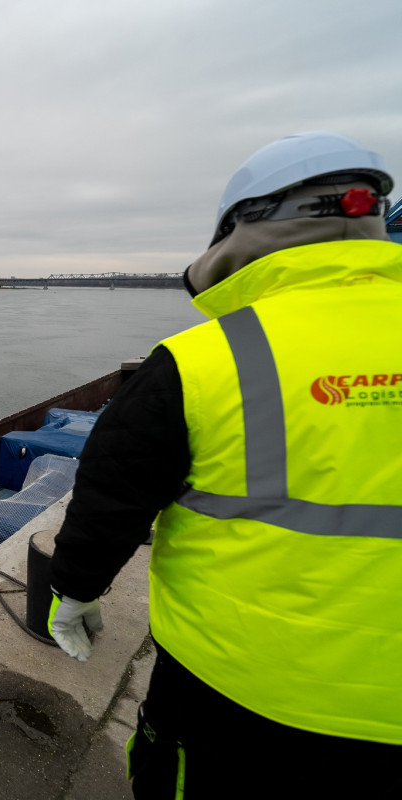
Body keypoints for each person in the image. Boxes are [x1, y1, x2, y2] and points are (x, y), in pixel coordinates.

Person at [47, 131, 402, 797]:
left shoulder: (203, 360)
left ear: (244, 228)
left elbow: (111, 498)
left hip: (237, 699)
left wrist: (76, 589)